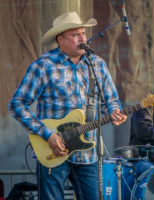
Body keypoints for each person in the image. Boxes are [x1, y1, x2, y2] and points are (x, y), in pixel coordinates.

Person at [7, 12, 127, 200]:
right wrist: (48, 135)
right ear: (60, 40)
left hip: (88, 153)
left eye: (83, 33)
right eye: (75, 35)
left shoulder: (96, 64)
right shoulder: (43, 66)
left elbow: (110, 100)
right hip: (53, 150)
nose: (82, 38)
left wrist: (114, 111)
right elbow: (17, 104)